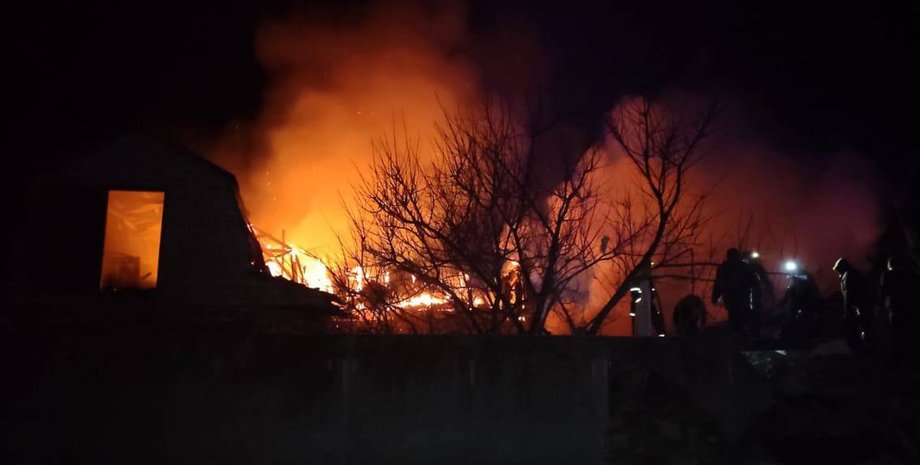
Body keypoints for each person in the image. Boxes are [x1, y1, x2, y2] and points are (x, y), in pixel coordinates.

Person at [879, 252, 920, 368]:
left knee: (896, 332)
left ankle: (896, 360)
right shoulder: (913, 275)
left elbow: (883, 292)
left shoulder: (888, 275)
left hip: (895, 308)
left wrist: (880, 306)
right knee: (910, 332)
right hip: (912, 308)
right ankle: (911, 359)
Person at [712, 248, 761, 336]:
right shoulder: (745, 267)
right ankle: (743, 339)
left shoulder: (723, 267)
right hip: (743, 297)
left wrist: (715, 297)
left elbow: (718, 283)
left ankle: (735, 341)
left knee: (733, 319)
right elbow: (755, 282)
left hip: (730, 298)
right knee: (743, 319)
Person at [832, 257, 873, 353]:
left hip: (856, 306)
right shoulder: (855, 274)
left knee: (857, 326)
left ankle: (859, 347)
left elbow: (849, 294)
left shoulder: (848, 276)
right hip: (862, 304)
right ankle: (867, 345)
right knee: (865, 325)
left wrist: (847, 309)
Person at [780, 265, 821, 340]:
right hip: (796, 303)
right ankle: (792, 336)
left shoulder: (804, 277)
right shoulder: (796, 280)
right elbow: (790, 291)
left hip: (804, 302)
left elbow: (811, 291)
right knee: (792, 318)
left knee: (803, 319)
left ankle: (802, 336)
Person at [744, 251, 775, 338]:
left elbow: (765, 280)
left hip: (754, 294)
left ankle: (754, 332)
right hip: (749, 295)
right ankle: (751, 332)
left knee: (755, 312)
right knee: (751, 313)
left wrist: (769, 292)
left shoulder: (757, 268)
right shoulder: (745, 268)